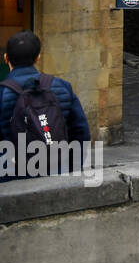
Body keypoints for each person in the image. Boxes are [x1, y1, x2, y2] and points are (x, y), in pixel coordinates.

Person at [0, 31, 91, 183]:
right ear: (38, 58)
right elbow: (81, 132)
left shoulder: (2, 93)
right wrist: (72, 167)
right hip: (58, 171)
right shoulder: (63, 87)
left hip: (13, 177)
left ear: (6, 58)